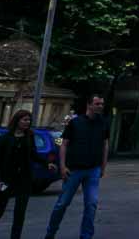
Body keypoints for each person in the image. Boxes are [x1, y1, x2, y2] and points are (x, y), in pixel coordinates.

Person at [0, 110, 56, 239]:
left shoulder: (30, 136)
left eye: (29, 120)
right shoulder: (5, 138)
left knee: (19, 214)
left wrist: (46, 164)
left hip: (24, 180)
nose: (27, 122)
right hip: (5, 180)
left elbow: (33, 154)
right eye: (24, 120)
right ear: (17, 120)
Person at [44, 95, 109, 239]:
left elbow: (105, 145)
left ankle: (86, 236)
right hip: (73, 169)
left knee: (91, 204)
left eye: (102, 104)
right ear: (89, 105)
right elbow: (63, 144)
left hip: (93, 169)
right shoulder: (75, 123)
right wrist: (62, 166)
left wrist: (103, 166)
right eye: (97, 103)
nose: (100, 106)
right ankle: (50, 233)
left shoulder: (103, 123)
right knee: (62, 203)